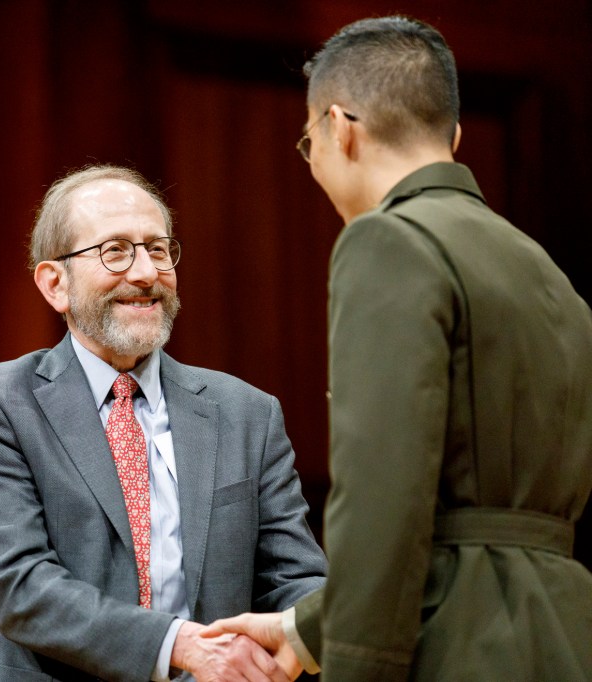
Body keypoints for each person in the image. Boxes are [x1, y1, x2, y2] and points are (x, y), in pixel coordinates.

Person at [203, 15, 592, 680]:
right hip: (562, 636)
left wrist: (354, 667)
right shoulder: (547, 273)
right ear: (455, 137)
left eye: (308, 142)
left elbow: (383, 497)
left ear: (340, 128)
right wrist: (304, 631)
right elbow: (478, 531)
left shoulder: (388, 241)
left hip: (456, 647)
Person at [0, 163, 327, 681]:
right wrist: (178, 645)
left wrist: (305, 637)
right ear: (55, 284)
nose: (146, 273)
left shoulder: (247, 414)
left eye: (158, 249)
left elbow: (296, 580)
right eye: (116, 251)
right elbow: (20, 586)